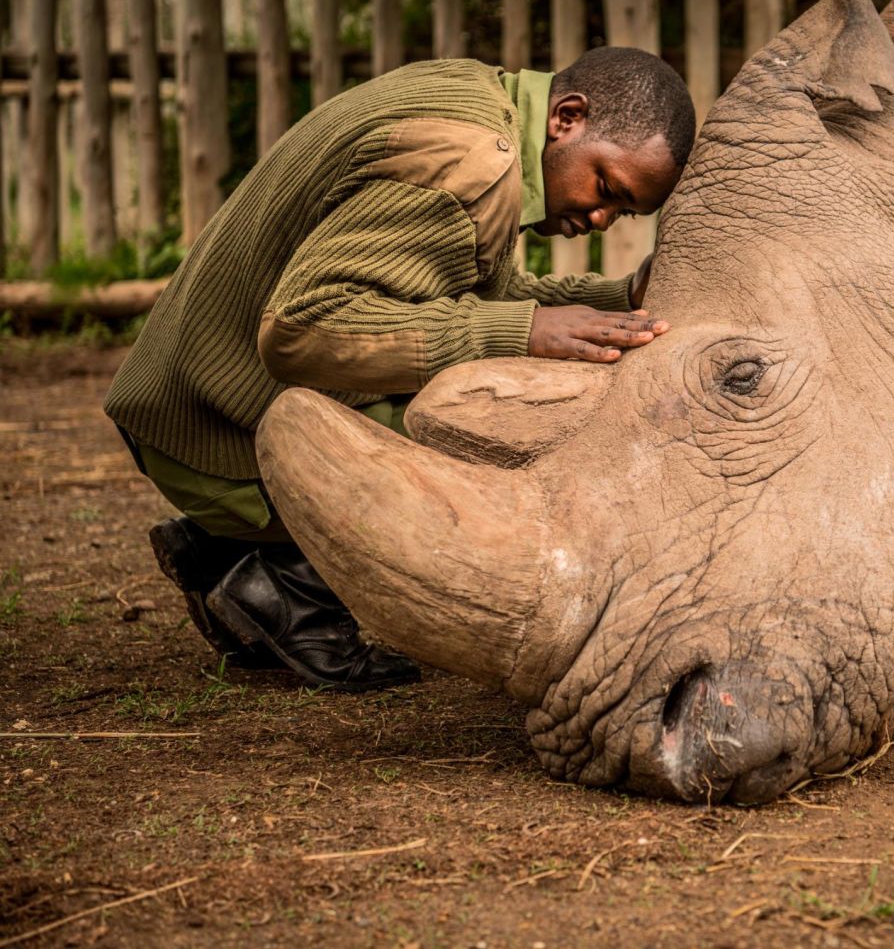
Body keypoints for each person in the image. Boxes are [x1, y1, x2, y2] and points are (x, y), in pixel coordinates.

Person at [104, 48, 696, 691]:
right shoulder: (470, 164)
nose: (601, 218)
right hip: (214, 434)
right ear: (567, 118)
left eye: (625, 213)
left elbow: (466, 294)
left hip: (184, 402)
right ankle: (285, 583)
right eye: (607, 187)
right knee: (515, 426)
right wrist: (521, 333)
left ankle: (227, 548)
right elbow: (302, 327)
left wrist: (618, 301)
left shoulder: (478, 101)